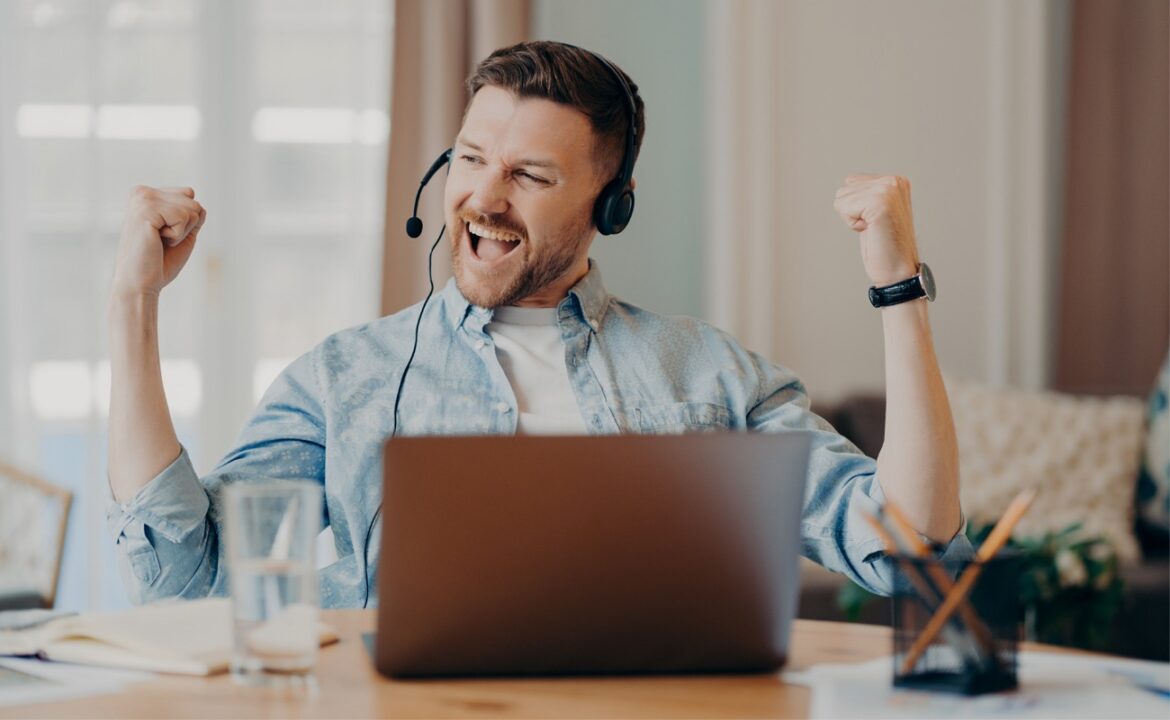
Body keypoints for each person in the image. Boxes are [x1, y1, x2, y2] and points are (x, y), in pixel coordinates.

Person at [106, 41, 969, 609]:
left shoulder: (710, 374)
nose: (482, 199)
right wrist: (133, 305)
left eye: (529, 176)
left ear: (611, 205)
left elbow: (912, 551)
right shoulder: (345, 377)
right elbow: (184, 574)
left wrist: (899, 288)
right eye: (471, 159)